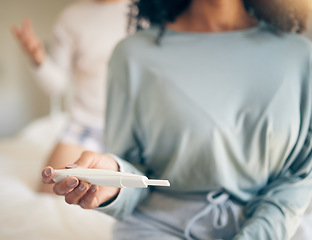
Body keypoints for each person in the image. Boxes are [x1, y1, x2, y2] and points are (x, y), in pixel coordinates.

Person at [42, 0, 312, 239]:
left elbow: (300, 177)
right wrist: (113, 182)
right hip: (156, 227)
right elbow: (135, 175)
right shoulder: (133, 55)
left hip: (271, 228)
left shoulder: (299, 56)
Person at [12, 0, 129, 192]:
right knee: (50, 189)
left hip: (131, 127)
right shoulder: (71, 17)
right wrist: (38, 58)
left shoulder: (149, 11)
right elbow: (57, 86)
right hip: (86, 125)